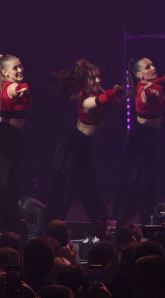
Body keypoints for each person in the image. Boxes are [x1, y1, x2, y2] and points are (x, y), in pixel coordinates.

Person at [46, 59, 126, 224]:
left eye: (98, 77)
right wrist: (113, 91)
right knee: (64, 195)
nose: (97, 80)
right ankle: (51, 232)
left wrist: (115, 92)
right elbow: (103, 100)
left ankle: (107, 233)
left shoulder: (97, 91)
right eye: (92, 78)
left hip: (83, 149)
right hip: (72, 149)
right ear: (83, 81)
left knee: (91, 195)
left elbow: (116, 104)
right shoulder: (86, 101)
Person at [113, 57, 165, 226]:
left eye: (152, 64)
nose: (153, 67)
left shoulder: (152, 85)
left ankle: (148, 231)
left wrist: (156, 84)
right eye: (148, 67)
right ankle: (113, 231)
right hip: (140, 141)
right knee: (132, 189)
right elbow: (147, 93)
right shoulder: (144, 88)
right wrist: (153, 91)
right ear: (139, 75)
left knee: (146, 189)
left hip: (148, 139)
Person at [0, 54, 31, 242]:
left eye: (20, 66)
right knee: (1, 188)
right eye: (15, 68)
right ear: (4, 73)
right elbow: (17, 90)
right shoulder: (10, 87)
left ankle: (8, 231)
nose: (20, 70)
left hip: (11, 139)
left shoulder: (11, 85)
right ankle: (9, 232)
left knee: (5, 187)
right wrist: (22, 89)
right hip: (4, 140)